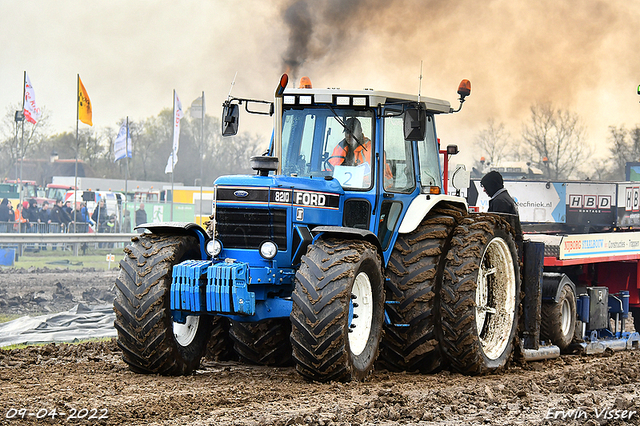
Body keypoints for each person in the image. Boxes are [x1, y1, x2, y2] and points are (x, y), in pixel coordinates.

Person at [328, 117, 393, 184]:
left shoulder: (372, 149)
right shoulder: (340, 147)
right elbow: (330, 169)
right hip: (344, 187)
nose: (349, 136)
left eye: (352, 132)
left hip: (366, 189)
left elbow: (375, 177)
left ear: (360, 131)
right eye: (347, 132)